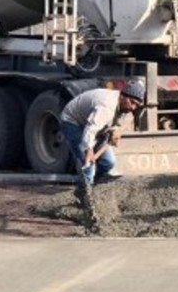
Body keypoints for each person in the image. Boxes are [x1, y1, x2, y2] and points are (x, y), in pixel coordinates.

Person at [59, 79, 147, 207]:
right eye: (132, 102)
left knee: (108, 163)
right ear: (122, 96)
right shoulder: (106, 106)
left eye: (136, 105)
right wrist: (89, 150)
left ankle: (93, 188)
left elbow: (113, 124)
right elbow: (91, 129)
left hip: (94, 126)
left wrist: (114, 131)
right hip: (73, 122)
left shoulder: (124, 107)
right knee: (88, 164)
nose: (133, 107)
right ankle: (85, 200)